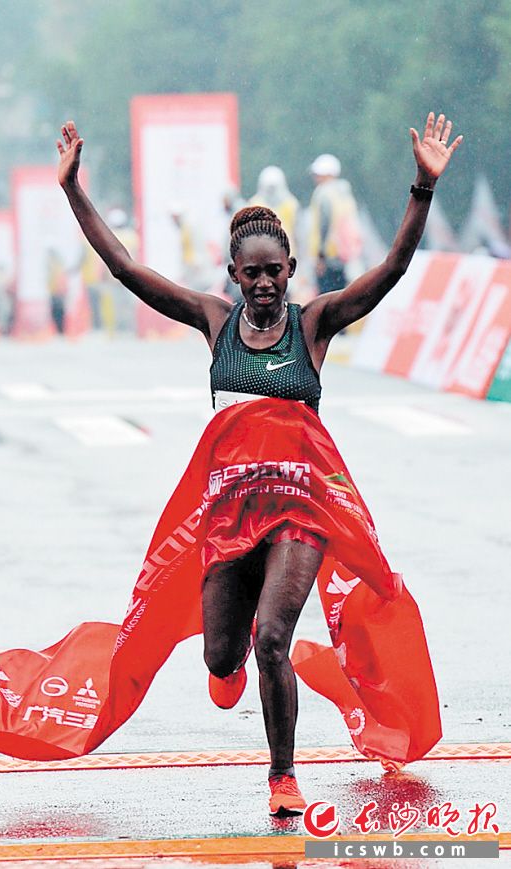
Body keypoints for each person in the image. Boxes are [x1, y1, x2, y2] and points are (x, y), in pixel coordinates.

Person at [57, 112, 461, 815]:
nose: (265, 283)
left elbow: (391, 271)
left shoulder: (315, 324)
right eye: (253, 273)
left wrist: (421, 188)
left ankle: (282, 775)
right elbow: (126, 268)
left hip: (301, 510)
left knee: (274, 636)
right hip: (230, 515)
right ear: (233, 274)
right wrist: (73, 190)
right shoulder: (215, 321)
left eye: (276, 271)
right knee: (223, 655)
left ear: (292, 271)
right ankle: (231, 657)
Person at [307, 153, 363, 294]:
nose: (315, 177)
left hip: (328, 256)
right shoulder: (344, 193)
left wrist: (320, 257)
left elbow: (323, 226)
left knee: (325, 299)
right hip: (344, 255)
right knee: (339, 298)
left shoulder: (324, 193)